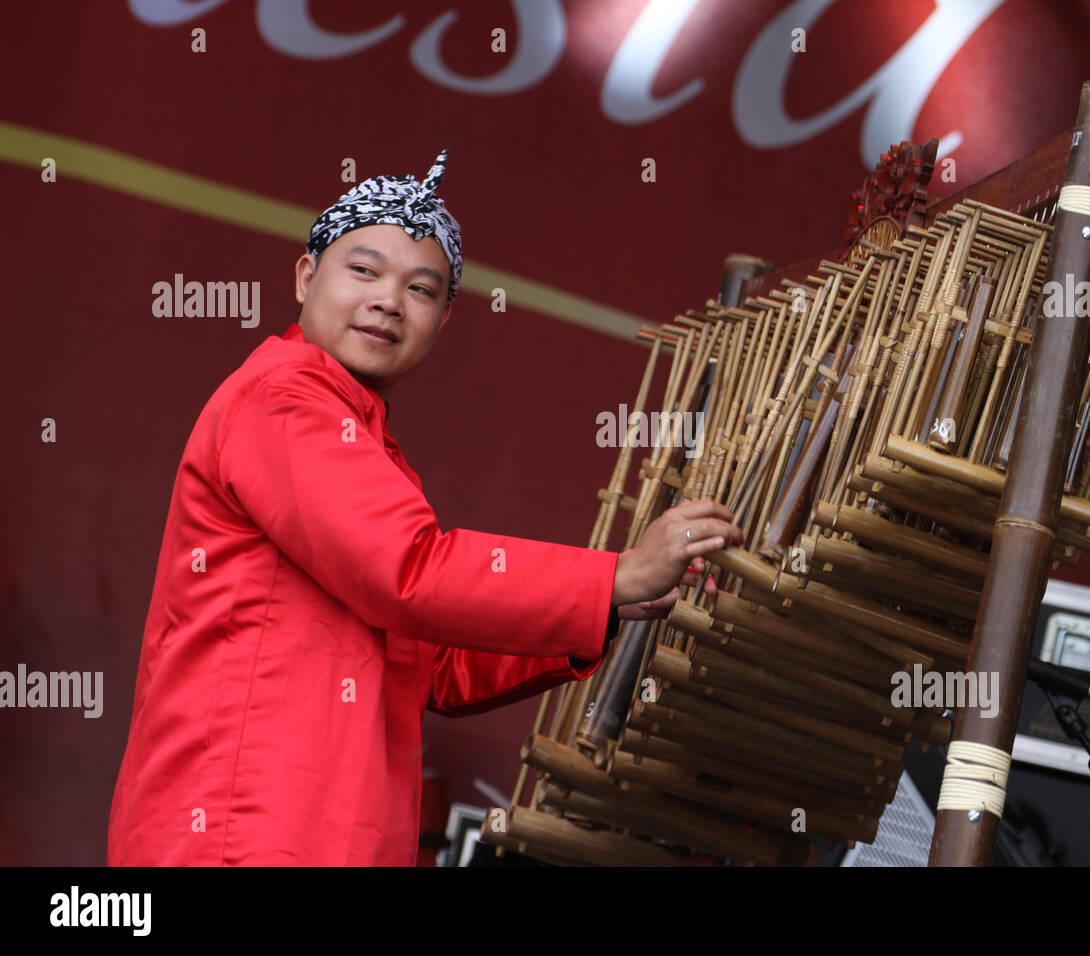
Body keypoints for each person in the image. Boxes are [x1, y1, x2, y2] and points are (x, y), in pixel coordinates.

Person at [106, 145, 744, 865]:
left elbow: (432, 662)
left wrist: (600, 606)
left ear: (443, 320)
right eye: (363, 270)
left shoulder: (364, 442)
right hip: (243, 830)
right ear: (305, 277)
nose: (387, 300)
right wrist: (615, 575)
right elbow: (409, 572)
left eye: (421, 289)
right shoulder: (283, 397)